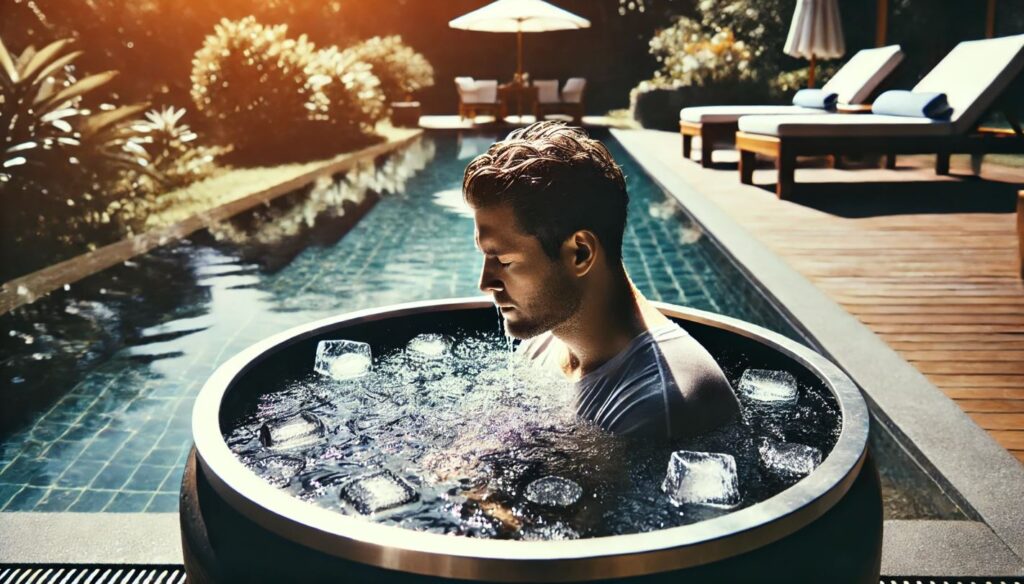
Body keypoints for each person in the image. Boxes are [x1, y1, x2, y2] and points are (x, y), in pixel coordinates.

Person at [463, 121, 740, 440]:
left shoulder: (660, 403)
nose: (486, 283)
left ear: (580, 253)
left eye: (504, 260)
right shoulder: (547, 337)